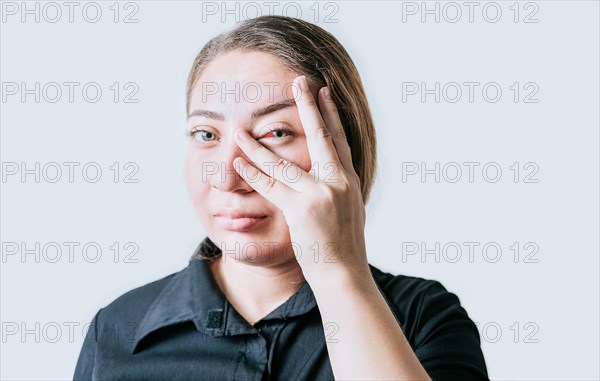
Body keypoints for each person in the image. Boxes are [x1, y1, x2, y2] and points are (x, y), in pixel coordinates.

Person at [73, 15, 489, 381]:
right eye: (207, 134)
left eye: (276, 134)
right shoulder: (116, 328)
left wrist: (335, 271)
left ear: (344, 152)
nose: (226, 177)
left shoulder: (422, 318)